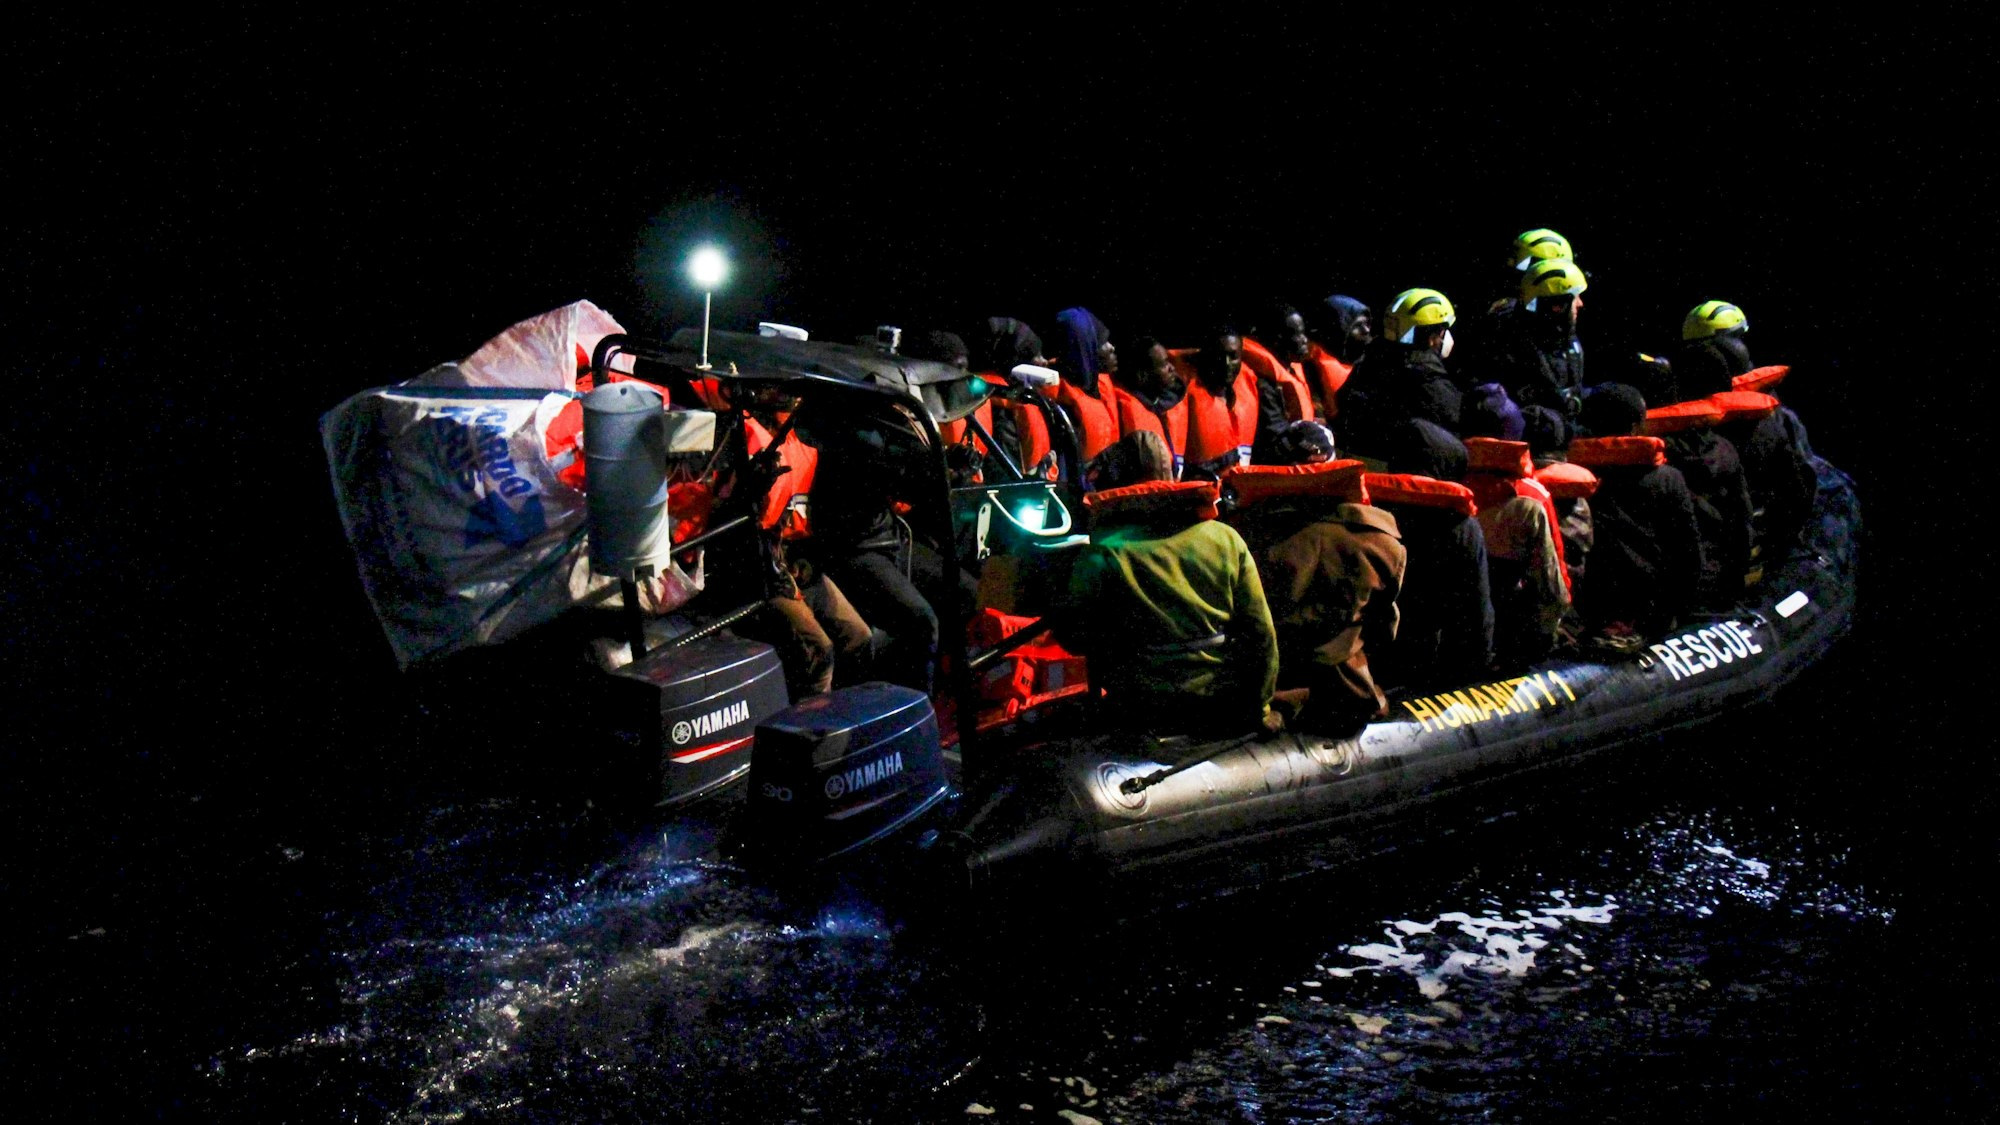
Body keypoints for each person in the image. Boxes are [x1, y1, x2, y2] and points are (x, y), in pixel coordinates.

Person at [1062, 430, 1280, 736]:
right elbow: (1261, 634)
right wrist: (1259, 710)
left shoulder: (1103, 550)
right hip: (1216, 702)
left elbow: (1073, 636)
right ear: (1172, 475)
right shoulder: (1225, 538)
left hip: (1140, 708)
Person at [1224, 420, 1406, 733]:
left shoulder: (1240, 538)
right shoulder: (1382, 542)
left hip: (1262, 700)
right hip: (1346, 698)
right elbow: (1384, 632)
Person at [1674, 301, 1818, 569]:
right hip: (1751, 534)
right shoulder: (1769, 415)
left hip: (1715, 541)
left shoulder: (1676, 408)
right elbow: (1797, 483)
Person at [1567, 384, 1702, 647]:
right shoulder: (1667, 479)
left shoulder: (1575, 478)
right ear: (1637, 425)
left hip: (1591, 611)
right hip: (1651, 611)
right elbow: (1688, 553)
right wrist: (1680, 613)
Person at [1365, 418, 1494, 689]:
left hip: (1362, 666)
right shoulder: (1461, 527)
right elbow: (1475, 613)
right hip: (1422, 665)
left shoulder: (1364, 510)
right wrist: (1467, 680)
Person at [1337, 288, 1463, 455]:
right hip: (1408, 474)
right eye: (1443, 331)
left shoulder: (1366, 365)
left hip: (1359, 469)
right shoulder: (1433, 383)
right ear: (1433, 337)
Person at [1480, 257, 1589, 420]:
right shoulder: (1516, 349)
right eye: (1575, 298)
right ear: (1558, 306)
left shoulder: (1564, 337)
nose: (1580, 304)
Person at [1176, 325, 1261, 480]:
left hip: (1240, 491)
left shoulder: (1251, 389)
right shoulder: (1182, 396)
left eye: (1233, 357)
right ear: (1205, 357)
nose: (1226, 364)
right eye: (1218, 356)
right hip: (1200, 492)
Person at [1102, 335, 1189, 479]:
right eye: (1164, 364)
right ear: (1142, 375)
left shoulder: (1170, 402)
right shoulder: (1124, 411)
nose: (1172, 368)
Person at [1046, 306, 1124, 464]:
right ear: (1085, 347)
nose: (1111, 347)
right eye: (1100, 341)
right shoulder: (1059, 403)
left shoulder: (1099, 388)